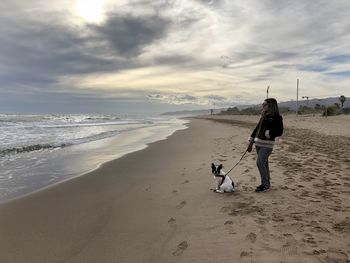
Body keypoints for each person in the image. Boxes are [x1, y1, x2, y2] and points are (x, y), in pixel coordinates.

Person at [247, 98, 284, 192]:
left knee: (259, 162)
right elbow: (257, 128)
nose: (263, 106)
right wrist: (251, 140)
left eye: (265, 104)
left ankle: (265, 184)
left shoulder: (277, 117)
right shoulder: (263, 116)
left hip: (267, 144)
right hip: (258, 143)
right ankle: (267, 184)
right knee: (264, 163)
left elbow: (280, 132)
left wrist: (269, 133)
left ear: (271, 105)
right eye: (262, 104)